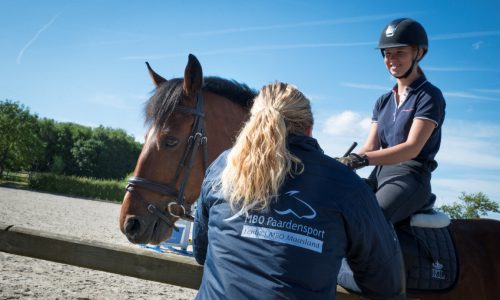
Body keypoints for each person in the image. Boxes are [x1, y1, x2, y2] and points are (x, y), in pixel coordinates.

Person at [193, 82, 404, 299]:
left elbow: (202, 250)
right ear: (309, 129)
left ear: (252, 122)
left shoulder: (223, 168)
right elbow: (385, 283)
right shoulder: (345, 183)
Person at [337, 18, 446, 224]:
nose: (392, 59)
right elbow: (370, 146)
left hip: (410, 177)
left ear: (418, 53)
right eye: (387, 53)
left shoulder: (429, 95)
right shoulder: (383, 101)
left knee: (370, 222)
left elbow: (412, 148)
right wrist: (340, 163)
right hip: (379, 174)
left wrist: (361, 160)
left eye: (400, 52)